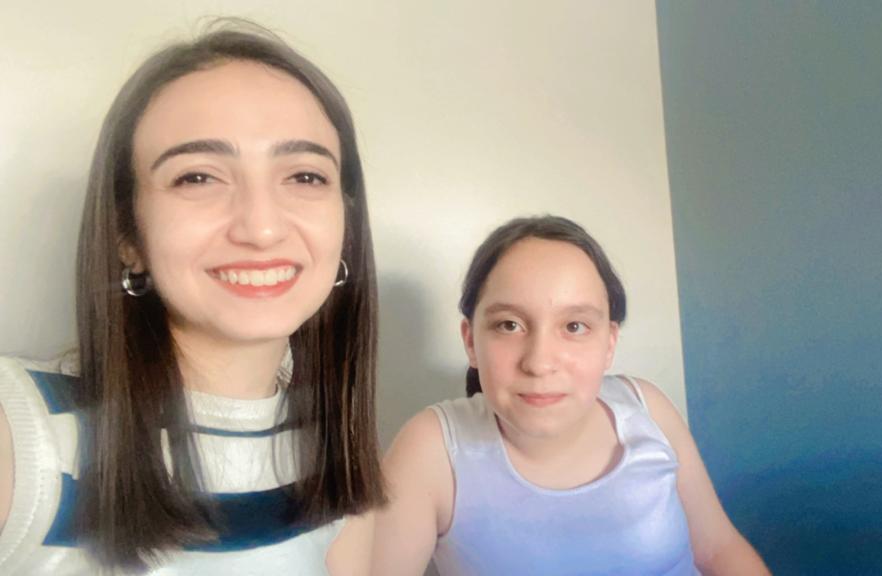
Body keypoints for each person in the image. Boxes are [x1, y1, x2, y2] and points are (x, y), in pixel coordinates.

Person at [0, 22, 384, 574]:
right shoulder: (21, 434)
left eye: (305, 176)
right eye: (197, 178)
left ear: (344, 226)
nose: (262, 228)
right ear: (127, 236)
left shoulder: (335, 450)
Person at [371, 216, 770, 575]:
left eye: (574, 326)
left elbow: (718, 549)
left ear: (609, 344)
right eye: (509, 325)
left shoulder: (648, 408)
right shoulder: (433, 450)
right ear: (471, 341)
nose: (540, 363)